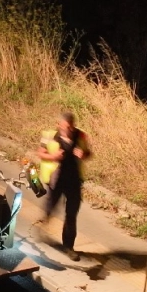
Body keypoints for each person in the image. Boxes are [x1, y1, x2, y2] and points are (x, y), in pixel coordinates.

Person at [36, 110, 92, 259]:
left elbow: (89, 153)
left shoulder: (80, 136)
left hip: (74, 180)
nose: (69, 130)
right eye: (66, 127)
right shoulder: (49, 136)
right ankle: (44, 220)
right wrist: (53, 156)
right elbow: (40, 153)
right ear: (58, 125)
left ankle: (69, 247)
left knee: (71, 215)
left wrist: (84, 154)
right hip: (57, 178)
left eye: (72, 127)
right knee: (51, 206)